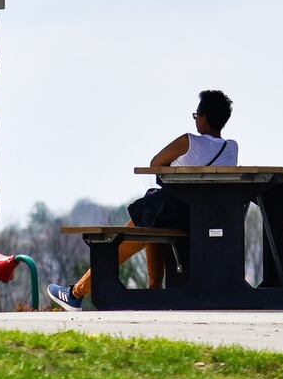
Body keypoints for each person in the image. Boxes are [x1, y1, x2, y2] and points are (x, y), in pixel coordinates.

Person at [48, 89, 236, 311]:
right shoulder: (231, 148)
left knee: (124, 239)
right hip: (202, 220)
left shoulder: (190, 142)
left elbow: (156, 163)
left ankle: (75, 293)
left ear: (203, 118)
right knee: (154, 219)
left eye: (196, 116)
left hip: (175, 214)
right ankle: (154, 292)